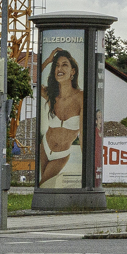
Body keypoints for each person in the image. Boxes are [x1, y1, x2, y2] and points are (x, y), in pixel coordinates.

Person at [40, 48, 84, 188]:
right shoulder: (51, 94)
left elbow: (82, 134)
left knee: (44, 185)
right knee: (45, 187)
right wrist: (47, 60)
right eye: (56, 65)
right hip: (44, 147)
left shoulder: (81, 97)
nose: (59, 68)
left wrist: (87, 165)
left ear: (73, 71)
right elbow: (31, 81)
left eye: (64, 64)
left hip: (61, 154)